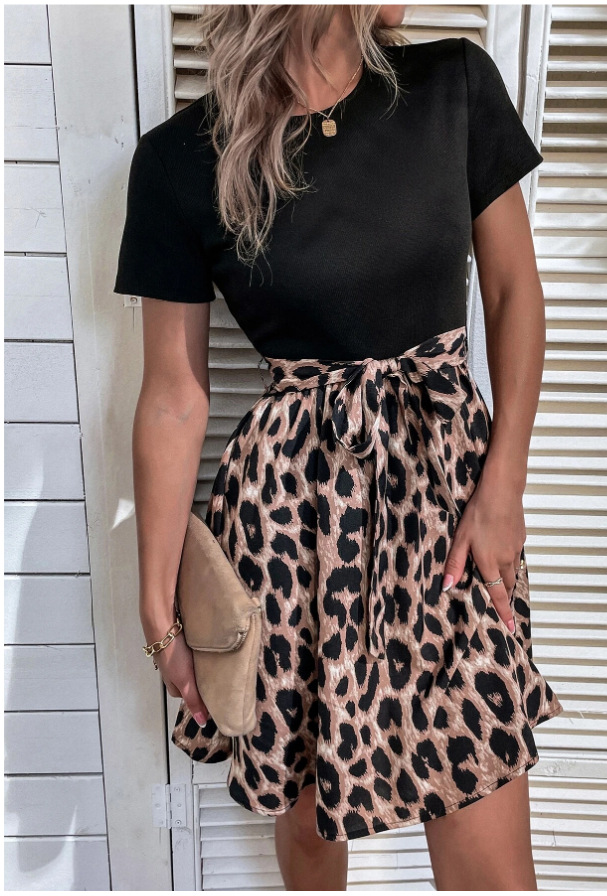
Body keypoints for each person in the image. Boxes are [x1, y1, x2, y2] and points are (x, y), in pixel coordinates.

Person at [113, 4, 563, 890]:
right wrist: (158, 614)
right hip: (292, 520)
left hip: (445, 502)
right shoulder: (179, 159)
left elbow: (514, 290)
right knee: (313, 815)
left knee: (486, 833)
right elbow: (173, 395)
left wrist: (503, 486)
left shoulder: (452, 87)